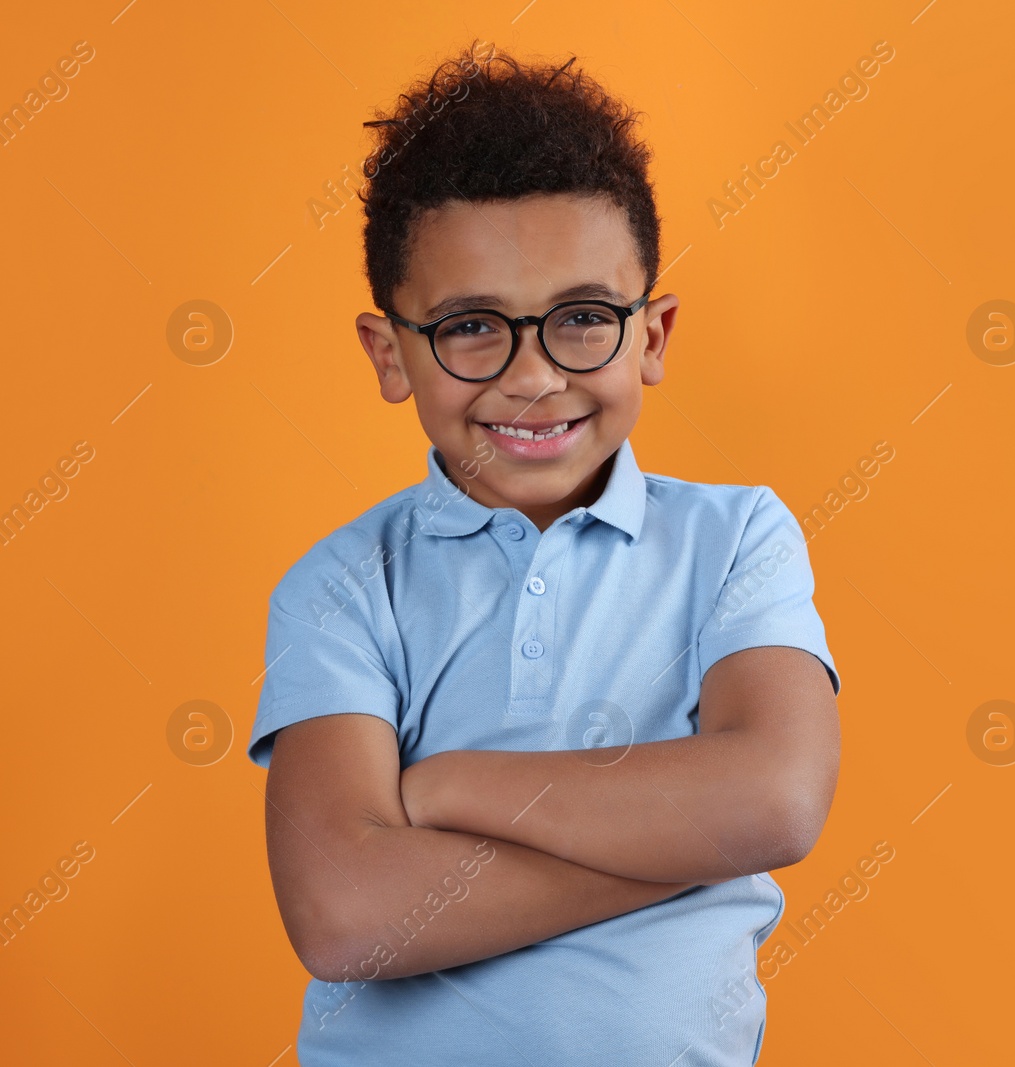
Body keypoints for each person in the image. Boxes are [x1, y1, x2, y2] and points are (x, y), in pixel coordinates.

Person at [247, 41, 842, 1066]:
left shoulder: (737, 538)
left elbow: (775, 799)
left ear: (651, 336)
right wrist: (687, 841)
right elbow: (346, 913)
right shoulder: (344, 587)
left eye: (581, 318)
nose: (531, 377)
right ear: (390, 352)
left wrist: (450, 785)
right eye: (472, 326)